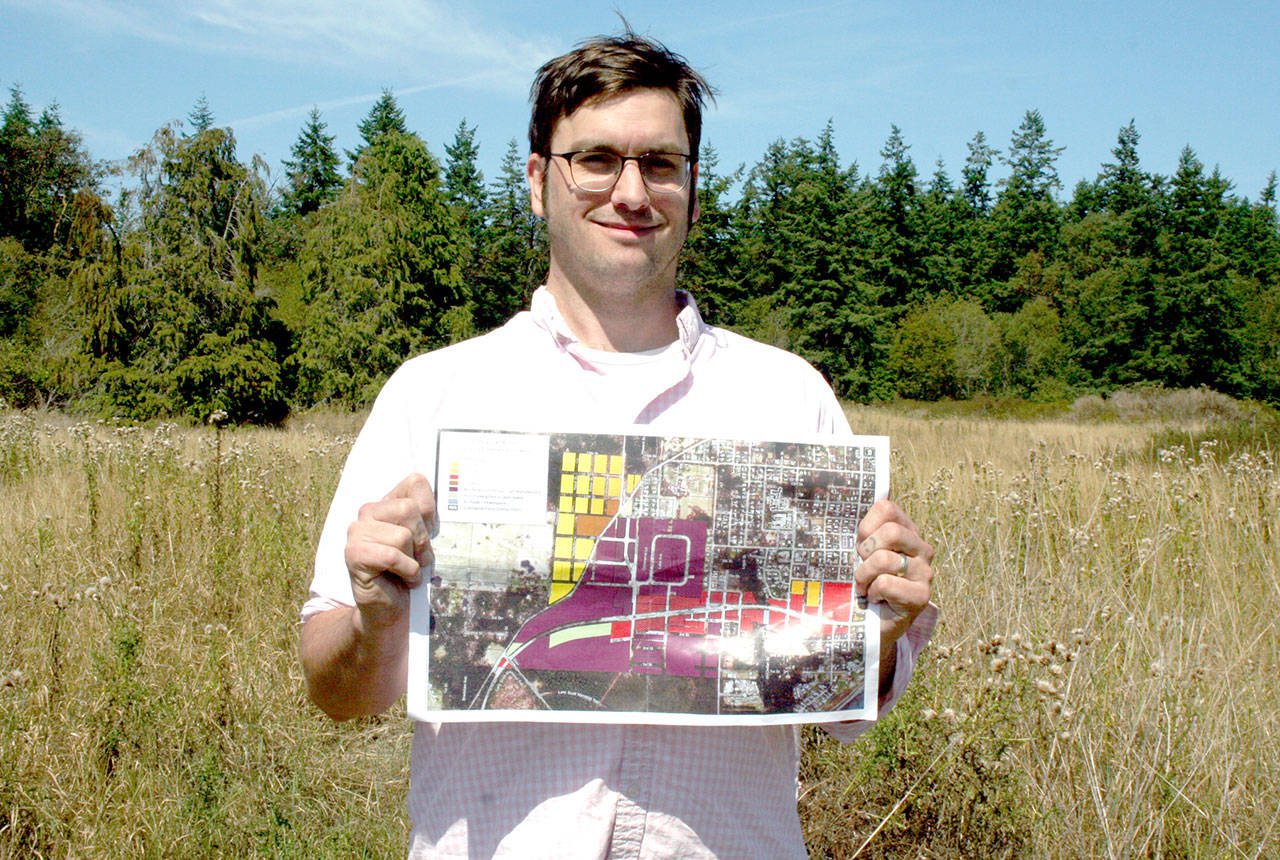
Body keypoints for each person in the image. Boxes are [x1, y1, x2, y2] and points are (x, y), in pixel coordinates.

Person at [300, 30, 938, 859]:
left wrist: (877, 634)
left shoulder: (790, 399)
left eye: (661, 164)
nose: (630, 191)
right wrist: (377, 619)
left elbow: (845, 704)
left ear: (693, 189)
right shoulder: (435, 394)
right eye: (594, 160)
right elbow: (335, 691)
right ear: (538, 182)